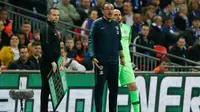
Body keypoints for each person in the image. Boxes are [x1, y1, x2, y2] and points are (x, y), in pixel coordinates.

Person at [88, 2, 125, 112]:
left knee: (114, 90)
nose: (110, 11)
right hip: (101, 62)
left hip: (114, 62)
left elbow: (118, 42)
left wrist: (122, 57)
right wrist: (92, 55)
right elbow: (91, 39)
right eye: (107, 9)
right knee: (99, 89)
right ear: (103, 11)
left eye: (111, 9)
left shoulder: (116, 25)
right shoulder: (97, 23)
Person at [113, 9, 140, 112]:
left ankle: (137, 110)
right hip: (114, 61)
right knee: (113, 88)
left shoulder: (127, 28)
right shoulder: (108, 29)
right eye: (116, 15)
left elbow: (127, 43)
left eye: (120, 15)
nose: (118, 17)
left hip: (126, 62)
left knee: (133, 86)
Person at [39, 7, 61, 112]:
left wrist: (60, 59)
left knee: (52, 90)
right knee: (46, 89)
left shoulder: (52, 28)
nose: (56, 17)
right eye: (54, 15)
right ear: (48, 16)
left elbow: (55, 47)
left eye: (57, 15)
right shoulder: (46, 28)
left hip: (54, 63)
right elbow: (46, 46)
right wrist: (52, 61)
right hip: (48, 63)